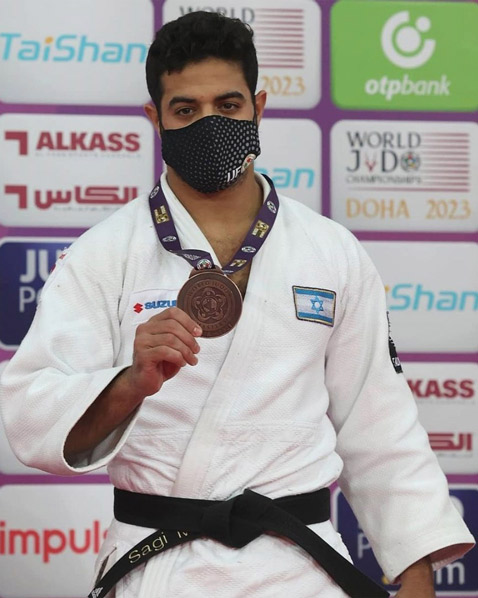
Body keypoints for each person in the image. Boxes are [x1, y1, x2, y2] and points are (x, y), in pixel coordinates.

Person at [0, 11, 474, 598]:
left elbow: (376, 421)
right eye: (185, 110)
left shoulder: (331, 251)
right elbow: (28, 412)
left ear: (259, 108)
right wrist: (129, 382)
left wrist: (416, 569)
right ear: (156, 119)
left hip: (301, 568)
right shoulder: (104, 254)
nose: (208, 123)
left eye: (227, 106)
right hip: (159, 566)